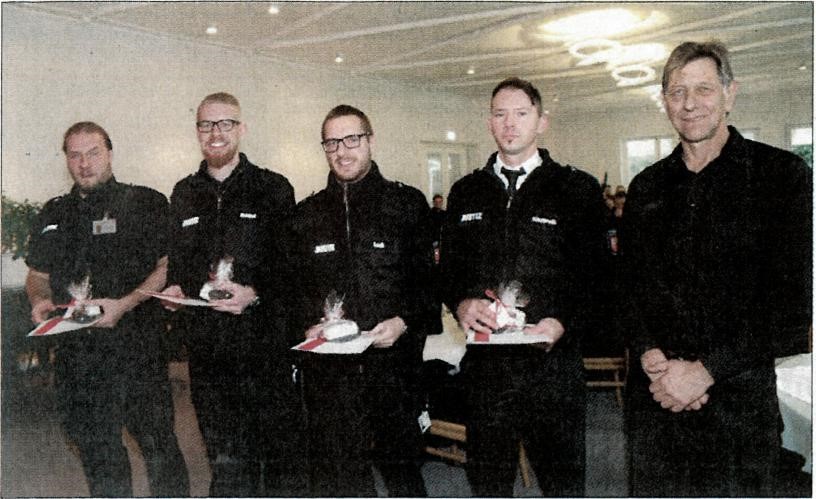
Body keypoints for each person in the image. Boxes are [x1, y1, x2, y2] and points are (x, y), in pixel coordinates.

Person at [621, 41, 812, 497]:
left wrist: (704, 371)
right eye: (677, 92)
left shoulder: (781, 176)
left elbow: (794, 306)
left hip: (738, 411)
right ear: (664, 100)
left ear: (730, 93)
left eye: (703, 89)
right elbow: (627, 289)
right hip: (655, 403)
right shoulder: (646, 186)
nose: (689, 104)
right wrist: (648, 353)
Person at [440, 77, 607, 496]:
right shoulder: (466, 191)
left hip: (552, 370)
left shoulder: (576, 189)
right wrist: (461, 304)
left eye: (521, 113)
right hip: (486, 372)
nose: (509, 124)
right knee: (488, 485)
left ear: (541, 121)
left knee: (562, 485)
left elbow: (598, 277)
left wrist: (562, 322)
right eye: (500, 114)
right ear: (489, 123)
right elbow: (448, 271)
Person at [25, 122, 189, 497]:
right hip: (78, 356)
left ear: (110, 154)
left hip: (137, 350)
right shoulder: (54, 213)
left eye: (93, 153)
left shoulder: (145, 202)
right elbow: (37, 275)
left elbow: (166, 266)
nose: (84, 163)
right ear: (66, 159)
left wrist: (125, 304)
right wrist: (39, 299)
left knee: (158, 446)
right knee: (98, 454)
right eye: (75, 155)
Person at [288, 104, 438, 497]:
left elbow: (427, 283)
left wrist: (403, 321)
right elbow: (293, 289)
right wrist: (307, 324)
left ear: (370, 140)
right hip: (331, 374)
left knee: (404, 475)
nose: (342, 151)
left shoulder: (406, 204)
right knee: (340, 479)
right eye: (332, 143)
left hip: (393, 368)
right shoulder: (306, 215)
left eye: (352, 139)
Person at [161, 92, 303, 496]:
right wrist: (175, 291)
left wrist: (254, 293)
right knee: (222, 457)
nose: (215, 133)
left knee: (274, 458)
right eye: (206, 125)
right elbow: (179, 266)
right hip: (207, 352)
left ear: (241, 129)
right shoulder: (183, 192)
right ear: (197, 131)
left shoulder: (273, 187)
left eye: (225, 124)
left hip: (263, 348)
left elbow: (290, 265)